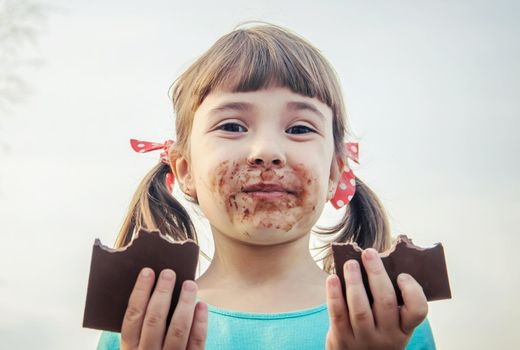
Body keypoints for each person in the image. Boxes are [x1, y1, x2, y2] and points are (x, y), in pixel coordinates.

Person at [96, 21, 436, 350]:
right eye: (232, 125)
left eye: (300, 128)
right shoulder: (141, 325)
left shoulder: (394, 319)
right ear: (184, 169)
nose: (267, 153)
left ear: (335, 172)